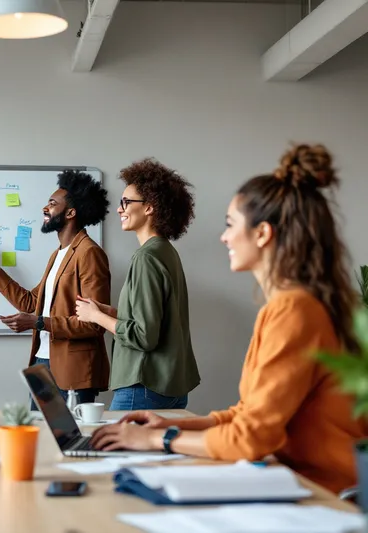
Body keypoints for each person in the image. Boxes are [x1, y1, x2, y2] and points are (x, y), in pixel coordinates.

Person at [88, 144, 368, 494]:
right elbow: (248, 413)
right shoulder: (287, 307)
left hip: (324, 495)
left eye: (230, 224)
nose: (223, 237)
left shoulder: (295, 311)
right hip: (303, 485)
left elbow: (250, 438)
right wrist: (175, 426)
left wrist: (158, 439)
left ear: (262, 233)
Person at [0, 169, 111, 406]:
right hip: (42, 361)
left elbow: (94, 324)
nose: (45, 208)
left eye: (52, 203)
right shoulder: (57, 255)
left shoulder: (89, 253)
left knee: (68, 432)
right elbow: (29, 303)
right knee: (38, 429)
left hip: (71, 370)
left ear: (71, 212)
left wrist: (38, 322)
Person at [75, 159, 199, 410]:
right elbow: (156, 321)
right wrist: (114, 313)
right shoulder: (166, 251)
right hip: (170, 385)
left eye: (126, 202)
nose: (119, 209)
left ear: (149, 207)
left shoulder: (146, 257)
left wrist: (95, 317)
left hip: (143, 385)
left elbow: (143, 337)